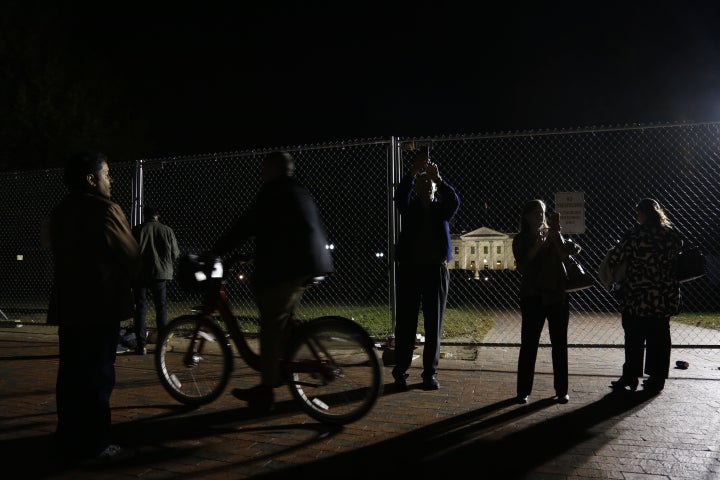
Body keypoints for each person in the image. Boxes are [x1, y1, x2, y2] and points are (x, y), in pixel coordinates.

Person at [209, 151, 333, 412]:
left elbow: (247, 224)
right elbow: (282, 231)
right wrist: (251, 255)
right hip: (310, 261)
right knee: (280, 315)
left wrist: (216, 250)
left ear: (273, 169)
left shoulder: (273, 190)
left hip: (292, 266)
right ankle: (283, 360)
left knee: (270, 322)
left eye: (263, 168)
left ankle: (267, 388)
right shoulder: (296, 190)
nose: (260, 173)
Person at [47, 151, 141, 461]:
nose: (110, 181)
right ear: (91, 179)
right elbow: (132, 257)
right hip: (101, 305)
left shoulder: (60, 212)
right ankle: (97, 442)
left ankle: (67, 435)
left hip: (69, 305)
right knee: (99, 375)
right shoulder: (105, 210)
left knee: (71, 374)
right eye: (106, 175)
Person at [391, 149, 460, 391]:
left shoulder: (442, 209)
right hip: (410, 270)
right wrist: (413, 171)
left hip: (435, 271)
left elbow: (455, 201)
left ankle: (429, 374)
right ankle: (400, 371)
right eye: (423, 182)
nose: (428, 185)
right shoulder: (409, 209)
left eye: (430, 183)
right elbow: (399, 196)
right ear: (417, 188)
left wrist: (439, 179)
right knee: (406, 323)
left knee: (434, 324)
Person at [605, 198, 682, 393]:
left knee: (634, 337)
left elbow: (615, 258)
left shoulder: (634, 235)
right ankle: (657, 378)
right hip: (663, 295)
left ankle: (631, 375)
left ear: (642, 214)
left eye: (637, 213)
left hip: (637, 295)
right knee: (660, 337)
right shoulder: (672, 236)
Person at [512, 199, 581, 404]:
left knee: (559, 344)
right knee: (529, 345)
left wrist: (556, 234)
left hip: (556, 295)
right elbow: (523, 265)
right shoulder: (521, 239)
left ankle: (561, 390)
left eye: (542, 212)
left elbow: (570, 251)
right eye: (535, 212)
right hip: (532, 296)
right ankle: (523, 391)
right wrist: (539, 244)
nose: (539, 216)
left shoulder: (553, 235)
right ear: (526, 216)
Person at [132, 205, 180, 355]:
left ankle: (141, 345)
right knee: (161, 308)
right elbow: (175, 253)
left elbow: (130, 250)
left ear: (145, 215)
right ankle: (162, 343)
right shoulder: (167, 230)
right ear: (158, 215)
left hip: (141, 273)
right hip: (160, 274)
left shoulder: (137, 230)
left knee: (140, 308)